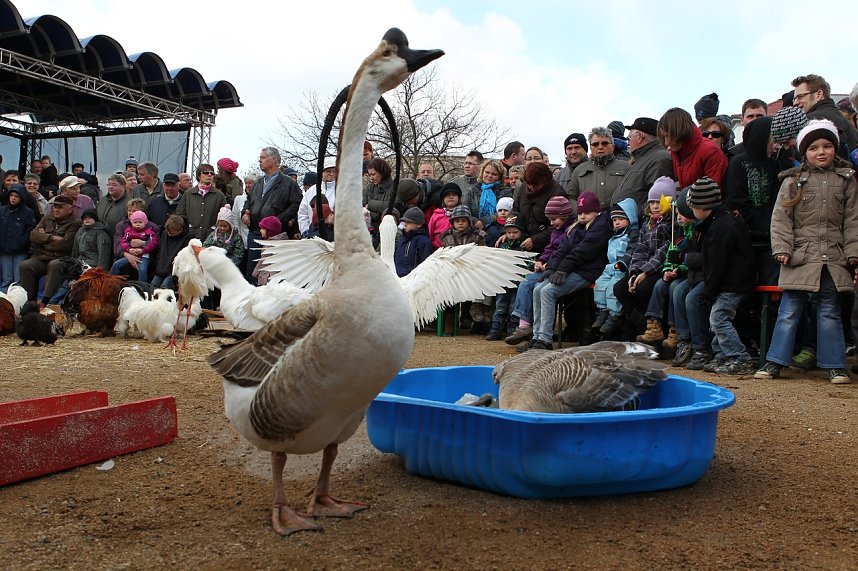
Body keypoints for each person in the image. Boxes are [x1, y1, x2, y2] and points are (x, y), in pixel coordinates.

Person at [755, 120, 858, 385]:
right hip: (799, 254)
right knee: (790, 309)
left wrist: (853, 252)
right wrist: (782, 248)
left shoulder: (847, 181)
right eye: (813, 147)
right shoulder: (793, 180)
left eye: (827, 146)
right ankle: (775, 361)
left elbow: (853, 220)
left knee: (829, 310)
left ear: (835, 148)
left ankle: (835, 365)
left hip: (832, 257)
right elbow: (781, 218)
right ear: (804, 152)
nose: (821, 152)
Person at [522, 191, 611, 351]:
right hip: (572, 269)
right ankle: (536, 336)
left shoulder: (600, 226)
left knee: (548, 291)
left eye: (587, 213)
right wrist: (550, 268)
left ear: (596, 211)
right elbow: (562, 249)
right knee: (537, 289)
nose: (582, 216)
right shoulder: (578, 227)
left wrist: (562, 269)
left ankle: (545, 339)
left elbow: (584, 251)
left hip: (588, 271)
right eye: (580, 213)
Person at [686, 177, 756, 375]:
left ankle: (739, 358)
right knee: (716, 318)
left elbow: (716, 263)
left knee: (719, 319)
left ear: (702, 206)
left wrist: (710, 290)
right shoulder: (719, 221)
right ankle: (722, 354)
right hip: (730, 282)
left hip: (733, 284)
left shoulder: (721, 227)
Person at [505, 195, 575, 346]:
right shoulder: (557, 229)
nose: (551, 223)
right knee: (526, 282)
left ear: (563, 215)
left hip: (560, 269)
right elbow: (550, 248)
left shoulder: (571, 231)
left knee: (540, 289)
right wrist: (541, 260)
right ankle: (526, 327)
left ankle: (543, 335)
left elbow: (565, 253)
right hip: (549, 266)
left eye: (554, 219)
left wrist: (549, 265)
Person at [613, 177, 677, 339]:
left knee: (643, 288)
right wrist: (634, 271)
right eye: (652, 202)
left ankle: (656, 327)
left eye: (659, 201)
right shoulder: (647, 223)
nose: (655, 206)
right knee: (620, 288)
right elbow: (639, 249)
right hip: (642, 267)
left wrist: (644, 272)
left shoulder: (672, 224)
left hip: (658, 268)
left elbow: (663, 253)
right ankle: (642, 325)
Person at [724, 116, 780, 285]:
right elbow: (736, 202)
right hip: (747, 241)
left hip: (770, 243)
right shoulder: (738, 163)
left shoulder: (774, 164)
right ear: (762, 139)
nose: (776, 146)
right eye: (772, 141)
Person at [242, 147, 302, 281]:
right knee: (252, 273)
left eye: (263, 157)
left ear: (273, 160)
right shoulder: (257, 183)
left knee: (272, 274)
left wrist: (278, 221)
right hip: (255, 233)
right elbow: (248, 201)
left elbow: (296, 205)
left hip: (276, 237)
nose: (259, 160)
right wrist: (244, 214)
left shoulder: (288, 183)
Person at [18, 195, 82, 304]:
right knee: (26, 265)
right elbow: (33, 235)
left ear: (70, 209)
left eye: (60, 207)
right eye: (55, 207)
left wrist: (42, 240)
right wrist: (51, 237)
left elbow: (65, 244)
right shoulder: (47, 218)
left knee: (54, 265)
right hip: (42, 257)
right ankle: (29, 301)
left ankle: (45, 301)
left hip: (61, 259)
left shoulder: (75, 223)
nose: (56, 210)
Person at [592, 198, 639, 337]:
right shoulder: (614, 235)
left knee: (613, 287)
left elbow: (632, 250)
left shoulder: (633, 233)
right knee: (600, 284)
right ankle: (602, 310)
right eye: (614, 220)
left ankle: (614, 314)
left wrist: (624, 263)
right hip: (610, 266)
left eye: (620, 219)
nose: (617, 222)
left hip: (623, 268)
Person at [486, 213, 532, 341]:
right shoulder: (503, 245)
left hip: (517, 282)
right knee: (500, 306)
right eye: (509, 232)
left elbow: (528, 265)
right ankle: (495, 329)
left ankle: (512, 330)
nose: (511, 235)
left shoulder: (525, 246)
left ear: (521, 231)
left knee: (514, 306)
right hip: (503, 281)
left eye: (515, 232)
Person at [658, 107, 728, 189]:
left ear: (680, 133)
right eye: (664, 136)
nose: (666, 142)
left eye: (667, 136)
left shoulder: (710, 151)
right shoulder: (677, 150)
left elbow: (712, 193)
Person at [612, 118, 675, 210]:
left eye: (629, 138)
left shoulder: (659, 159)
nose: (628, 142)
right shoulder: (641, 159)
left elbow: (658, 199)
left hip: (643, 222)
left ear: (639, 136)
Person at [791, 74, 858, 156]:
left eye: (800, 96)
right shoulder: (844, 120)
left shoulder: (811, 121)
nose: (795, 103)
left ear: (818, 94)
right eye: (794, 99)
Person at [567, 127, 631, 206]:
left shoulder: (626, 168)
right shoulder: (579, 170)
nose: (600, 147)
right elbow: (571, 197)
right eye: (595, 144)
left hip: (617, 217)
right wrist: (581, 213)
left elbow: (634, 194)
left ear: (613, 146)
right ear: (591, 147)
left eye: (605, 143)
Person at [176, 164, 227, 242]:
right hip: (190, 238)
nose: (209, 175)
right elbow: (180, 214)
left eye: (212, 173)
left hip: (212, 239)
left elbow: (225, 217)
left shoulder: (219, 195)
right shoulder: (188, 193)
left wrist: (214, 229)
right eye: (206, 173)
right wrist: (188, 229)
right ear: (199, 176)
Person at [0, 185, 36, 292]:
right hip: (4, 250)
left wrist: (22, 242)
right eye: (11, 195)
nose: (13, 198)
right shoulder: (2, 211)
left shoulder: (28, 212)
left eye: (16, 196)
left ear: (22, 198)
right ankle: (3, 304)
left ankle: (18, 302)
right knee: (6, 279)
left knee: (18, 280)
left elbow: (29, 230)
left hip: (20, 251)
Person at [110, 210, 158, 282]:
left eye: (140, 222)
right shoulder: (128, 232)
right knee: (116, 264)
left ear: (145, 223)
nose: (138, 224)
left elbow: (153, 243)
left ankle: (142, 288)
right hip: (131, 253)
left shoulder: (149, 232)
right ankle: (110, 282)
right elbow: (123, 242)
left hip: (143, 256)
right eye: (135, 222)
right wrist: (129, 249)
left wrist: (142, 249)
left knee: (142, 270)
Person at [466, 160, 511, 230]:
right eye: (487, 172)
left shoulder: (505, 192)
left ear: (500, 177)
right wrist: (475, 222)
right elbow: (465, 210)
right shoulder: (472, 190)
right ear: (482, 172)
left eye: (494, 174)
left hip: (497, 229)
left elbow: (505, 212)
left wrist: (483, 222)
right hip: (474, 228)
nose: (489, 176)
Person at [298, 156, 336, 237]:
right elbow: (303, 213)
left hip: (335, 235)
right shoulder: (312, 190)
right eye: (328, 171)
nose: (331, 174)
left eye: (334, 171)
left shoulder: (341, 189)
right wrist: (305, 231)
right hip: (312, 234)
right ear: (322, 172)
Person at [151, 215, 191, 290]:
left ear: (180, 230)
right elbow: (159, 250)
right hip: (161, 268)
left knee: (165, 287)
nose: (169, 234)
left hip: (173, 271)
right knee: (153, 285)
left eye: (172, 233)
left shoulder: (187, 238)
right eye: (168, 232)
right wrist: (158, 263)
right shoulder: (164, 234)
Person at [394, 207, 433, 278]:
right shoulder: (401, 239)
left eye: (408, 222)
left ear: (419, 224)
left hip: (414, 280)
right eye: (404, 222)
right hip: (397, 279)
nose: (405, 224)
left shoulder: (424, 241)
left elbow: (425, 265)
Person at [362, 157, 395, 236]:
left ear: (382, 172)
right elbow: (362, 205)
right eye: (369, 175)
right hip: (370, 231)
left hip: (387, 232)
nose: (371, 178)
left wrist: (370, 205)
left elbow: (392, 207)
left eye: (373, 174)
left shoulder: (395, 187)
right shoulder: (370, 187)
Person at [252, 216, 288, 286]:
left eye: (262, 229)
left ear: (269, 231)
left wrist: (255, 273)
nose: (260, 230)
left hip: (268, 276)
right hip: (278, 274)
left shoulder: (269, 245)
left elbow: (263, 261)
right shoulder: (280, 242)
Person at [427, 182, 460, 248]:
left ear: (459, 198)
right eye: (447, 195)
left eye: (454, 194)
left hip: (458, 251)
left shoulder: (464, 214)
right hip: (438, 250)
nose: (451, 197)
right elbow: (430, 234)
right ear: (443, 199)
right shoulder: (436, 215)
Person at [97, 173, 129, 239]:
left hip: (120, 242)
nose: (110, 187)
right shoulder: (102, 201)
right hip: (101, 241)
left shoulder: (129, 203)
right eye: (109, 184)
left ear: (123, 187)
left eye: (114, 185)